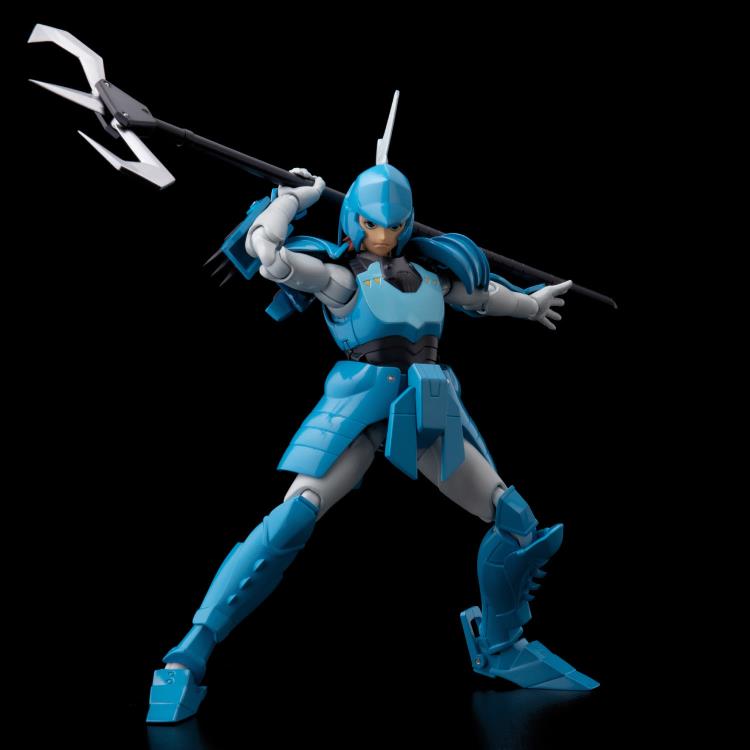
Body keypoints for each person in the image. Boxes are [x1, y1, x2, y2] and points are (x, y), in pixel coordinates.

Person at [146, 156, 599, 724]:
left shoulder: (434, 279)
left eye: (394, 225)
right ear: (353, 221)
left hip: (427, 408)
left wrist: (531, 305)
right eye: (371, 225)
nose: (383, 237)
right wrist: (294, 199)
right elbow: (269, 256)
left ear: (409, 223)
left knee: (515, 520)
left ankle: (501, 645)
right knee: (292, 518)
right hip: (360, 410)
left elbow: (484, 298)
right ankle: (188, 654)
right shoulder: (340, 280)